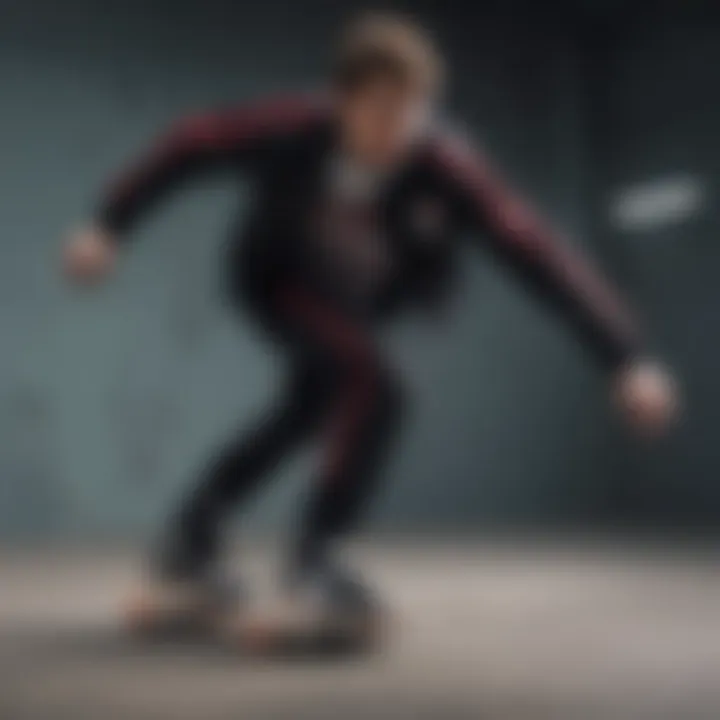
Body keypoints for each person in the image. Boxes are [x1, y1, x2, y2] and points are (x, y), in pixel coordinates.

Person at [64, 13, 678, 635]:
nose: (397, 132)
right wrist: (108, 224)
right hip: (278, 283)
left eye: (414, 112)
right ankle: (314, 566)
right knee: (375, 386)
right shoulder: (294, 127)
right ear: (341, 101)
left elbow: (536, 251)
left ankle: (189, 545)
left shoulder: (446, 164)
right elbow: (189, 143)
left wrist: (625, 357)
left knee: (308, 406)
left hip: (351, 305)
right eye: (381, 111)